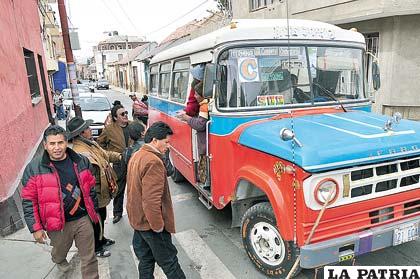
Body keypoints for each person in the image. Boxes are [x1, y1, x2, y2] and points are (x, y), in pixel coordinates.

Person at [21, 125, 99, 278]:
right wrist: (36, 228)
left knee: (89, 258)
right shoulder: (34, 168)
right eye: (52, 144)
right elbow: (29, 201)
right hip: (56, 224)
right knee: (59, 252)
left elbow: (90, 189)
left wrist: (94, 211)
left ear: (66, 142)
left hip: (82, 219)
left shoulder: (81, 161)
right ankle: (59, 259)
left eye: (60, 143)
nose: (57, 148)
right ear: (45, 145)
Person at [126, 122, 185, 279]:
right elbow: (151, 201)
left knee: (146, 259)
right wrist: (158, 227)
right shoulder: (153, 162)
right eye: (166, 142)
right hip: (151, 224)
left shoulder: (137, 154)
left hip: (139, 221)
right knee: (170, 261)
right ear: (154, 140)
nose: (168, 146)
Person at [68, 117, 122, 258]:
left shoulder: (91, 144)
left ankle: (101, 238)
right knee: (95, 219)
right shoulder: (81, 152)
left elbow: (105, 155)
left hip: (100, 191)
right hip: (93, 193)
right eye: (87, 128)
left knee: (101, 216)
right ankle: (97, 248)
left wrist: (121, 157)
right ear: (81, 133)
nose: (90, 129)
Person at [97, 104, 132, 224]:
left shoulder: (133, 125)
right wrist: (109, 156)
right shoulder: (109, 129)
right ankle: (117, 213)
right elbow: (100, 145)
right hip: (119, 163)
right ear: (115, 117)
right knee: (119, 190)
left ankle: (136, 213)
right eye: (122, 114)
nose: (126, 115)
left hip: (134, 162)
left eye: (126, 112)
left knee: (135, 188)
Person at [178, 70, 209, 184]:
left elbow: (201, 124)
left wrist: (187, 118)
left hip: (205, 144)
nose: (194, 96)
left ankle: (204, 181)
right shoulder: (204, 104)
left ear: (202, 95)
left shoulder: (204, 106)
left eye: (196, 94)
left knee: (203, 163)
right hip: (205, 143)